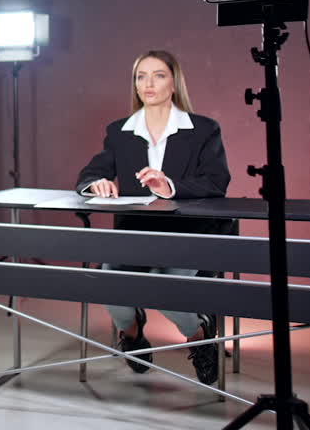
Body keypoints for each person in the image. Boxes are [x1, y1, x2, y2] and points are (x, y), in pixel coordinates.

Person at [75, 49, 232, 385]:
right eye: (141, 76)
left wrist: (169, 185)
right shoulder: (119, 131)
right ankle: (132, 334)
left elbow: (217, 181)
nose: (148, 83)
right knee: (110, 287)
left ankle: (200, 337)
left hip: (188, 235)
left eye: (158, 75)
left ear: (174, 83)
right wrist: (96, 183)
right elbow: (90, 174)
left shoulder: (203, 129)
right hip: (134, 235)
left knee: (170, 293)